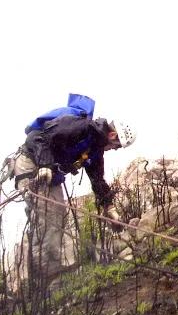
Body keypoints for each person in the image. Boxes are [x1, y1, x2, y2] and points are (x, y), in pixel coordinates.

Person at [13, 114, 136, 287]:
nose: (115, 150)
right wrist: (46, 165)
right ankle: (49, 279)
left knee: (54, 214)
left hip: (45, 170)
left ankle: (41, 277)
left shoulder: (94, 147)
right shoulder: (79, 127)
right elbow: (35, 136)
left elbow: (97, 179)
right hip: (31, 165)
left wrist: (109, 207)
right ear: (113, 136)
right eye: (117, 146)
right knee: (50, 216)